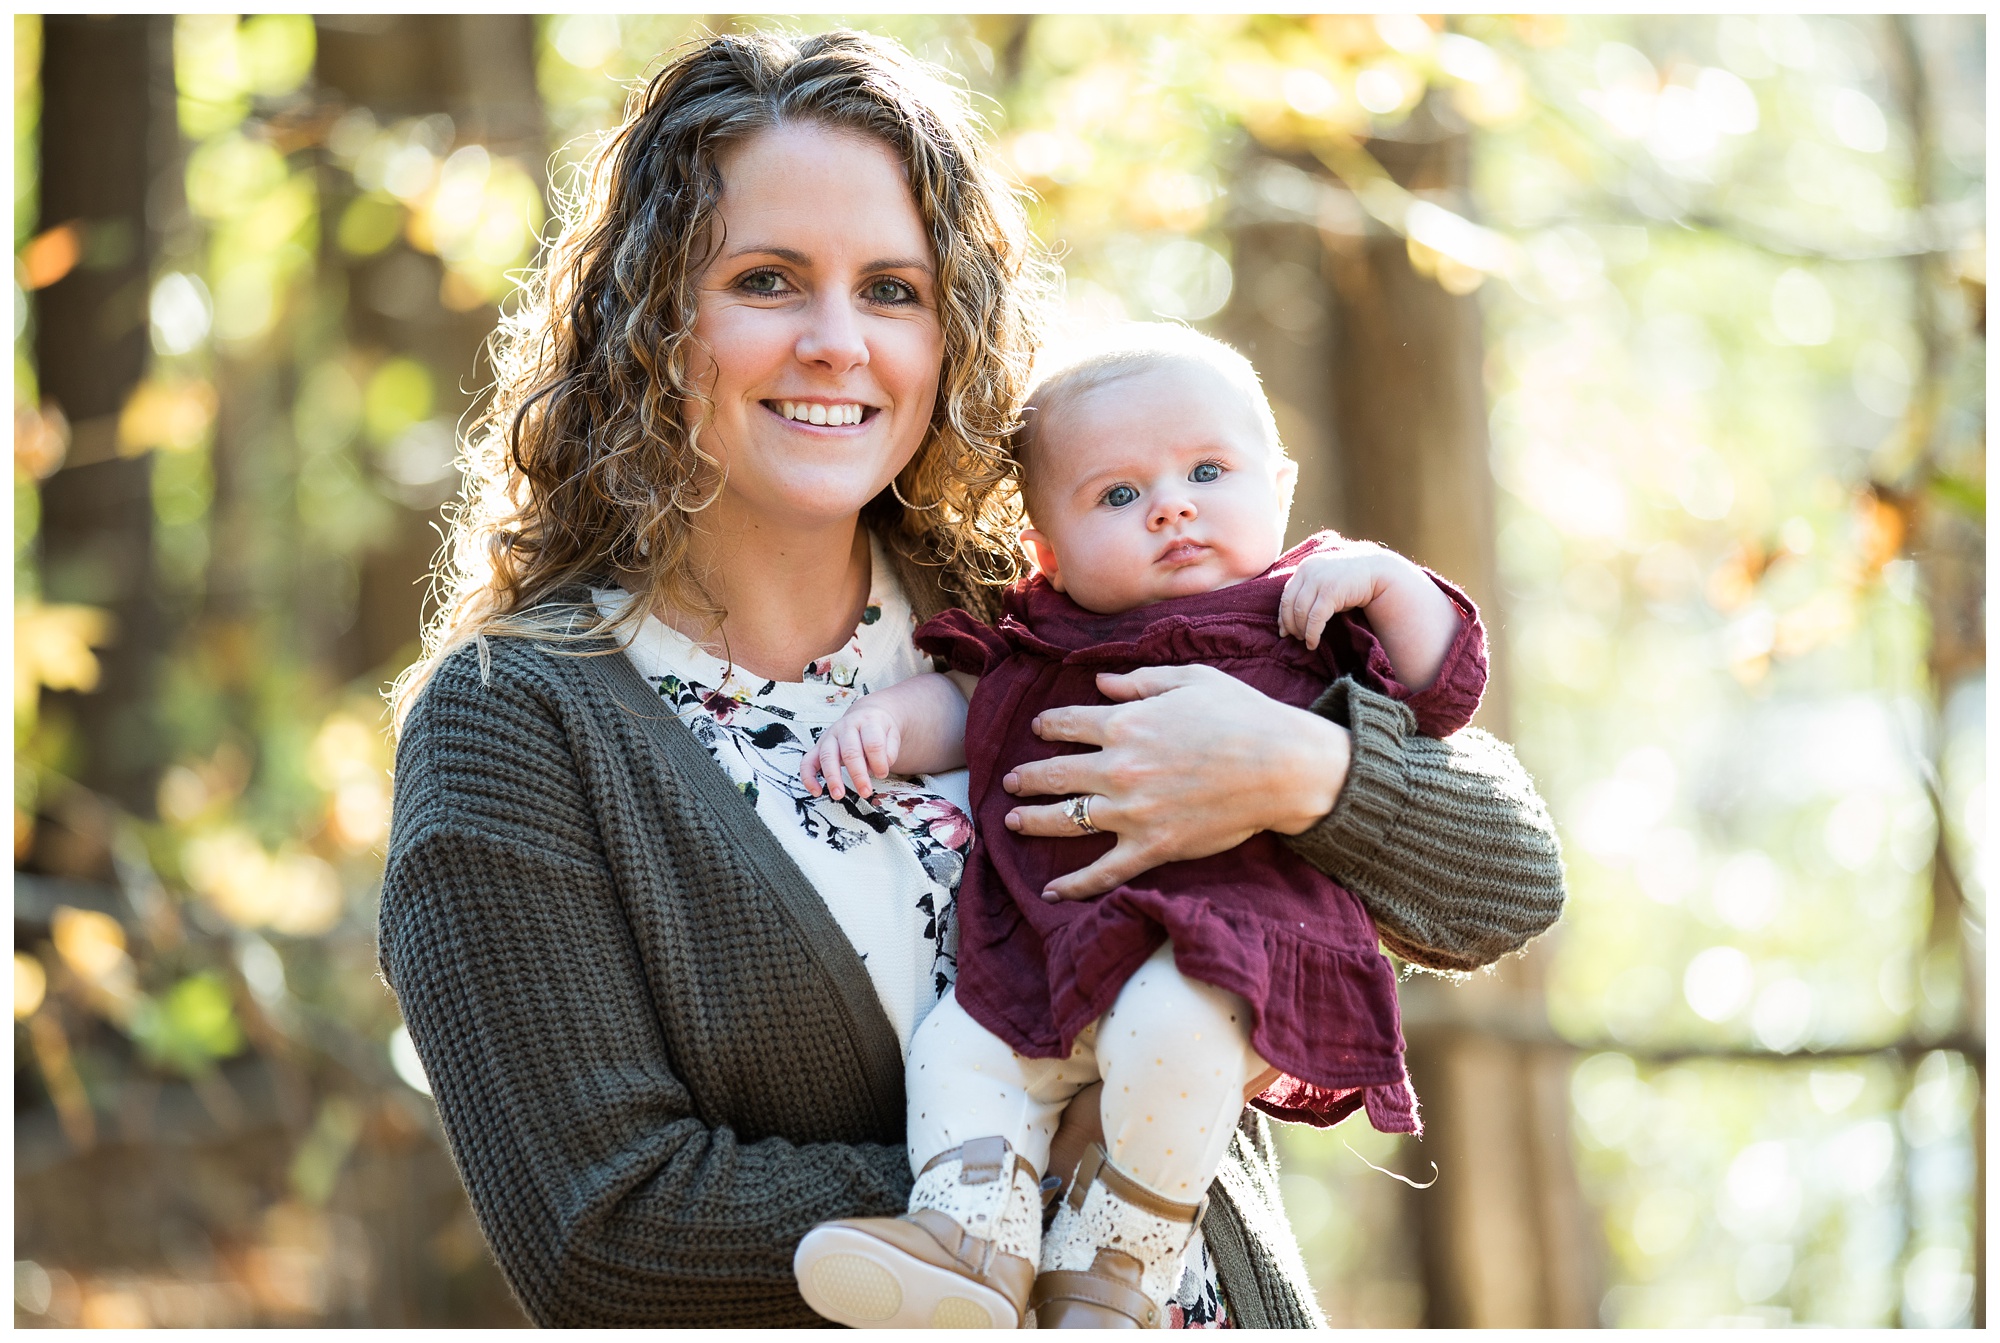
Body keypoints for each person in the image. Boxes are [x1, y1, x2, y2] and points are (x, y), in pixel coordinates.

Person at [377, 29, 1566, 1329]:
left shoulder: (1037, 609)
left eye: (893, 288)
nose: (840, 341)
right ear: (651, 318)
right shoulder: (517, 725)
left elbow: (1507, 884)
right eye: (769, 280)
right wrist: (1043, 1177)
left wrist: (1301, 769)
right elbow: (603, 1231)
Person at [789, 325, 1491, 1329]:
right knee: (962, 1048)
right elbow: (973, 712)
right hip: (1045, 952)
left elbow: (1441, 693)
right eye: (1117, 495)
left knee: (1174, 1038)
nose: (1169, 503)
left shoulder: (1303, 609)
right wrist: (882, 726)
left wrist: (1392, 583)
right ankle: (967, 1237)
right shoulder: (1044, 631)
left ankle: (1117, 1259)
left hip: (1220, 948)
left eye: (1208, 469)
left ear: (1278, 486)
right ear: (1047, 548)